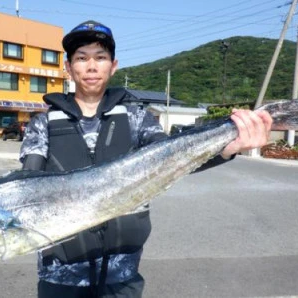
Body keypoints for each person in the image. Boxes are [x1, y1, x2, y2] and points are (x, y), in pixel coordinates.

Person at [19, 20, 273, 298]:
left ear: (113, 65)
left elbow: (174, 159)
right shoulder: (42, 124)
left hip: (122, 275)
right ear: (68, 67)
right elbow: (26, 188)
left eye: (100, 58)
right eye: (81, 58)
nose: (91, 66)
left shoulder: (137, 118)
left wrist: (228, 148)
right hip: (60, 277)